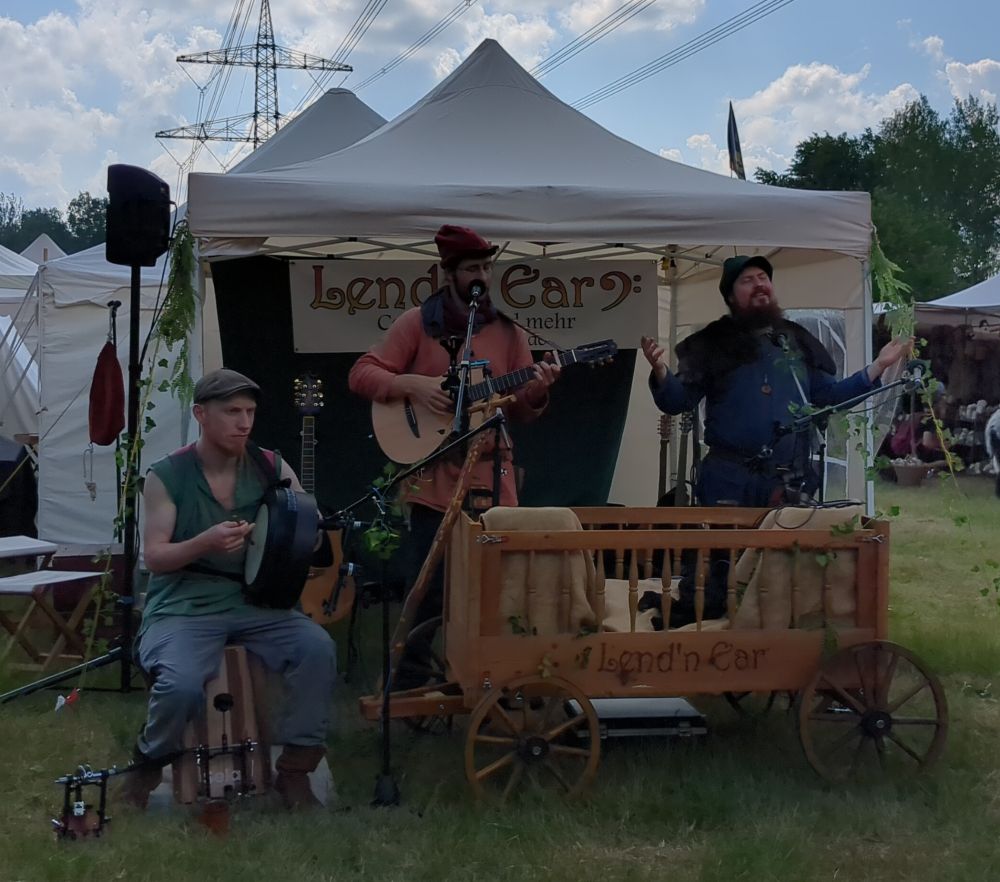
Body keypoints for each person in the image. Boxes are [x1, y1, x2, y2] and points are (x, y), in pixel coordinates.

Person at [641, 255, 911, 625]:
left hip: (787, 478)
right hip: (729, 477)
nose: (759, 285)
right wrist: (660, 373)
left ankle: (772, 639)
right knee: (724, 563)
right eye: (748, 280)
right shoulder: (711, 344)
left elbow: (828, 395)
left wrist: (877, 368)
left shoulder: (795, 341)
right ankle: (715, 638)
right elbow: (678, 400)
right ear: (731, 296)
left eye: (763, 278)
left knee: (779, 566)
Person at [348, 224, 560, 687]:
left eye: (487, 266)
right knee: (428, 589)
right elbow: (362, 374)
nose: (482, 275)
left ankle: (496, 679)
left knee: (497, 587)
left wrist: (537, 392)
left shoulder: (507, 331)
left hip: (492, 477)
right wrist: (412, 385)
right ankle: (410, 682)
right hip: (435, 483)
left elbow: (522, 409)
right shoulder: (416, 325)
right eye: (472, 268)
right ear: (449, 274)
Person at [122, 369, 336, 810]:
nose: (244, 422)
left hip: (256, 601)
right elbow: (154, 558)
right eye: (232, 412)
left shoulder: (270, 465)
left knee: (317, 649)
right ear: (201, 414)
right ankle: (147, 764)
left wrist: (305, 538)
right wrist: (205, 542)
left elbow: (305, 520)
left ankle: (295, 769)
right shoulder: (168, 475)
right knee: (179, 684)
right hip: (185, 604)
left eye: (250, 412)